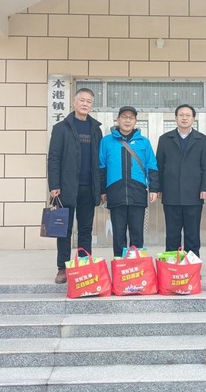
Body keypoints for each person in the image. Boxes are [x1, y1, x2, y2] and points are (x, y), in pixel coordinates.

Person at [47, 88, 103, 284]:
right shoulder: (61, 128)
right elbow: (54, 158)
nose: (85, 104)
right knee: (64, 230)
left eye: (89, 101)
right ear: (74, 102)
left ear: (92, 105)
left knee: (86, 230)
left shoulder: (95, 129)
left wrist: (101, 188)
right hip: (66, 188)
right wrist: (54, 185)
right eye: (82, 100)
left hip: (89, 188)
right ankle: (62, 268)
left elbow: (100, 161)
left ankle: (84, 265)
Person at [99, 106, 159, 257]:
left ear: (135, 121)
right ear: (118, 120)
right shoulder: (106, 141)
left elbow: (152, 165)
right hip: (115, 193)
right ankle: (119, 264)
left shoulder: (144, 142)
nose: (127, 120)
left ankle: (135, 266)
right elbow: (102, 167)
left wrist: (153, 188)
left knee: (137, 234)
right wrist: (102, 190)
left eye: (131, 118)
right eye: (124, 117)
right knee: (118, 234)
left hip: (137, 193)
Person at [156, 104, 206, 258]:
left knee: (192, 234)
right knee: (172, 235)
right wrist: (158, 187)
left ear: (193, 119)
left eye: (188, 115)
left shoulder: (202, 140)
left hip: (194, 194)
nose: (184, 118)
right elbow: (159, 166)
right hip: (171, 194)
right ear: (175, 118)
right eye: (181, 115)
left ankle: (192, 266)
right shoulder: (165, 139)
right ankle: (171, 266)